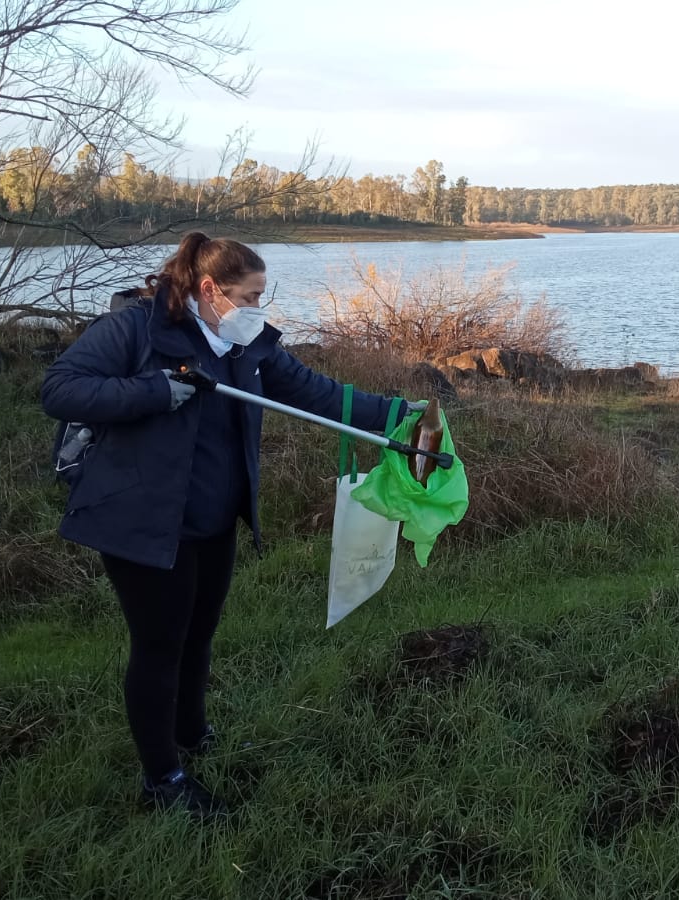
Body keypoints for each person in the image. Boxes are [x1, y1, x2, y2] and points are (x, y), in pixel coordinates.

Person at [41, 232, 416, 818]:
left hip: (212, 518)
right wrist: (152, 391)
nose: (259, 310)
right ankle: (162, 777)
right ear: (209, 289)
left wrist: (396, 413)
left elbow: (317, 393)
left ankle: (192, 734)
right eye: (251, 296)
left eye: (263, 297)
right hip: (142, 518)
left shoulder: (249, 345)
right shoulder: (137, 329)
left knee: (199, 633)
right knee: (160, 644)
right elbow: (59, 388)